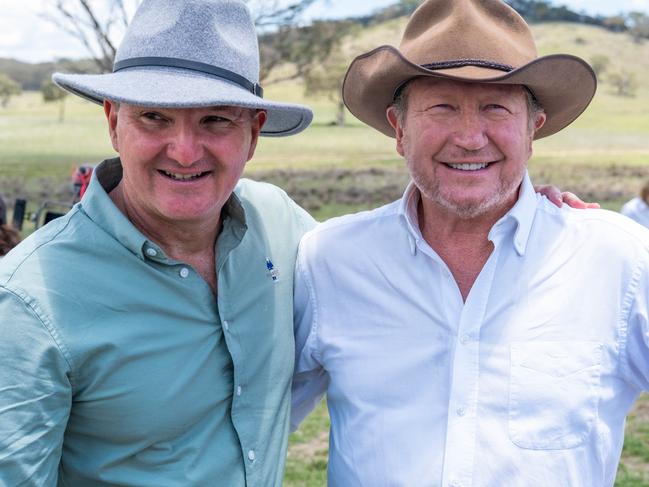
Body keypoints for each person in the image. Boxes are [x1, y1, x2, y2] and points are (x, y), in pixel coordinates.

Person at [291, 1, 649, 486]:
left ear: (531, 129)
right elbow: (246, 421)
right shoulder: (329, 260)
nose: (469, 137)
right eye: (441, 107)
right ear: (400, 130)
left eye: (494, 108)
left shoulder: (618, 260)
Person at [0, 1, 315, 485]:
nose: (185, 151)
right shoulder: (27, 302)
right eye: (154, 116)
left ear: (252, 135)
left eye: (215, 120)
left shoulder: (282, 224)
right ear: (113, 123)